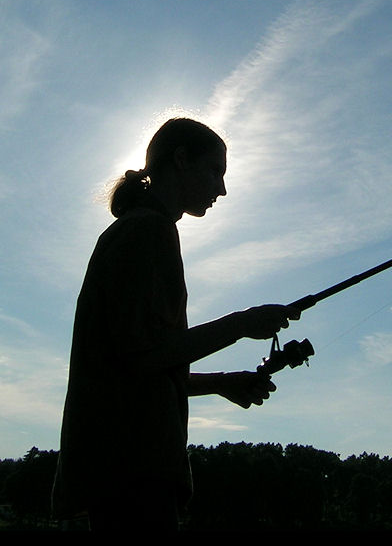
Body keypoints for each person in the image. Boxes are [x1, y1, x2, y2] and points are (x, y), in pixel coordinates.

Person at [52, 117, 300, 531]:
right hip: (132, 475)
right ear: (181, 160)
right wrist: (242, 323)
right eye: (215, 171)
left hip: (123, 473)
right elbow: (145, 358)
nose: (222, 188)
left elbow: (134, 365)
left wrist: (221, 382)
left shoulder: (140, 229)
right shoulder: (148, 231)